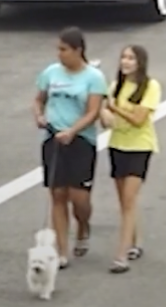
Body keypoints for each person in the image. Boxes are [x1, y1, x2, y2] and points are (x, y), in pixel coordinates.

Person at [31, 27, 108, 269]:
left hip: (80, 140)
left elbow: (93, 111)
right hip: (53, 138)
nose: (59, 54)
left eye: (64, 50)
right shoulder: (51, 73)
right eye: (58, 49)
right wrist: (39, 115)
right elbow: (39, 99)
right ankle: (62, 250)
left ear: (78, 50)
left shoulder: (94, 77)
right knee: (58, 194)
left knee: (79, 198)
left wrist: (73, 131)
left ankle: (83, 225)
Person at [100, 45, 161, 274]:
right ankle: (135, 242)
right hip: (117, 146)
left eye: (131, 58)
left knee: (128, 198)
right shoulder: (116, 86)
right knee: (125, 201)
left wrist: (115, 108)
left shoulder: (151, 86)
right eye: (123, 57)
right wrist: (103, 111)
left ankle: (121, 255)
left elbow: (138, 119)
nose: (125, 62)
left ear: (140, 63)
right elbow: (107, 121)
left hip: (140, 147)